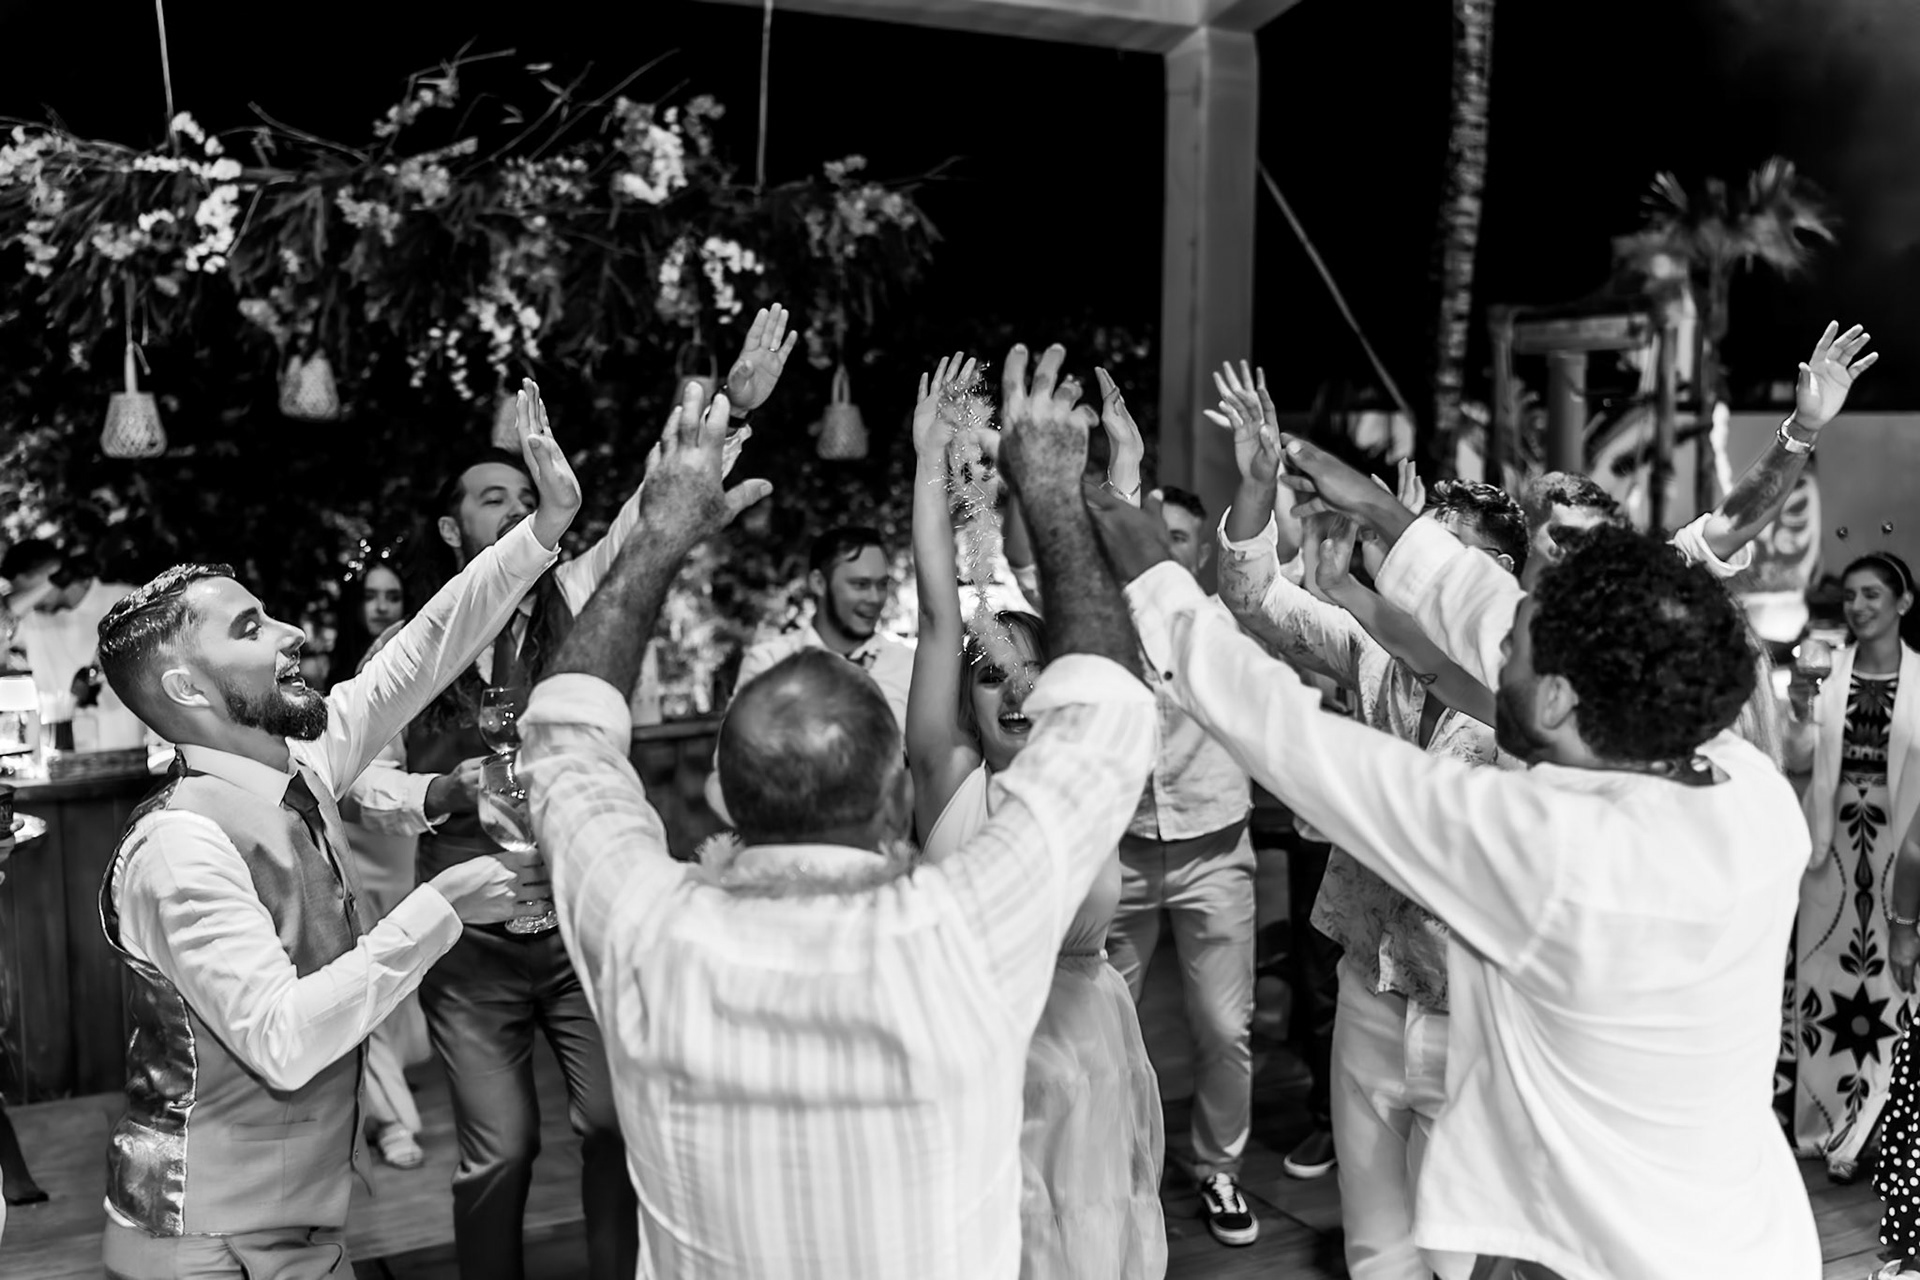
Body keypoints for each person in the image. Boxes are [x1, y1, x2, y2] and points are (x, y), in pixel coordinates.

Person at [1089, 427, 1821, 1280]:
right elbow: (1482, 607)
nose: (1491, 647)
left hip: (1607, 1257)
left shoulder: (1555, 855)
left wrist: (1153, 579)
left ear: (1554, 697)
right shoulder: (1747, 788)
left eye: (1512, 649)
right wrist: (1382, 512)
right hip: (1752, 1240)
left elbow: (1294, 741)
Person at [518, 344, 1157, 1279]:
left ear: (727, 799)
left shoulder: (647, 931)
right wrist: (1056, 491)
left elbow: (564, 738)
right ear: (899, 791)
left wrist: (658, 532)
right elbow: (1104, 715)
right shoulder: (967, 927)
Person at [347, 310, 794, 1280]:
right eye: (490, 497)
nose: (514, 509)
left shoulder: (581, 588)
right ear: (448, 526)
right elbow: (354, 778)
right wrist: (440, 788)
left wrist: (733, 404)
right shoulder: (407, 650)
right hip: (469, 942)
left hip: (581, 920)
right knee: (498, 1151)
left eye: (525, 493)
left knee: (612, 1127)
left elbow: (652, 502)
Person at [90, 390, 574, 1280]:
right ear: (191, 693)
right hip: (204, 1243)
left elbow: (424, 648)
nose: (296, 633)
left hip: (302, 1225)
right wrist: (443, 904)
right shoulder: (178, 846)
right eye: (252, 627)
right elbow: (282, 1036)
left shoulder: (301, 768)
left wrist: (543, 529)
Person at [1214, 411, 1527, 1278]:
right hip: (1369, 976)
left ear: (1489, 580)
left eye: (1433, 551)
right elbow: (1250, 601)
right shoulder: (1371, 650)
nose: (1406, 564)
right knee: (1376, 1241)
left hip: (1474, 1000)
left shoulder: (1535, 693)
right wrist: (1253, 488)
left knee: (1459, 1250)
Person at [906, 353, 1165, 1279]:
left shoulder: (1085, 780)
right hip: (972, 1059)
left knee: (1090, 1241)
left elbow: (1116, 612)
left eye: (1031, 671)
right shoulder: (951, 788)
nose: (1013, 688)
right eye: (990, 676)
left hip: (1092, 1055)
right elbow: (944, 615)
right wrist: (929, 464)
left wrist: (1116, 482)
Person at [1778, 551, 1920, 1179]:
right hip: (1831, 852)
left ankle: (1881, 1130)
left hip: (1901, 852)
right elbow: (1799, 761)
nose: (1858, 608)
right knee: (1827, 992)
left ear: (1903, 603)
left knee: (1896, 989)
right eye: (1852, 598)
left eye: (1871, 596)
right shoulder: (1825, 679)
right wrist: (1802, 706)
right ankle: (1824, 1125)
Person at [328, 551, 437, 1169]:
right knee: (365, 973)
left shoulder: (418, 656)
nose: (381, 606)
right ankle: (395, 1121)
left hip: (400, 836)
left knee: (396, 976)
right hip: (347, 833)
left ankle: (377, 1104)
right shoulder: (333, 670)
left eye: (392, 596)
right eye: (371, 595)